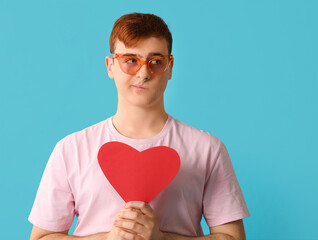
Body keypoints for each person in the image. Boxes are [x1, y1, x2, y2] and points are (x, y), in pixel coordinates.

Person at [28, 12, 250, 240]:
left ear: (170, 67)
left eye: (156, 62)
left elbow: (232, 237)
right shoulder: (70, 150)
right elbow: (41, 237)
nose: (143, 73)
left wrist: (162, 238)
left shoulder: (207, 149)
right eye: (131, 60)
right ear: (110, 66)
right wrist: (107, 238)